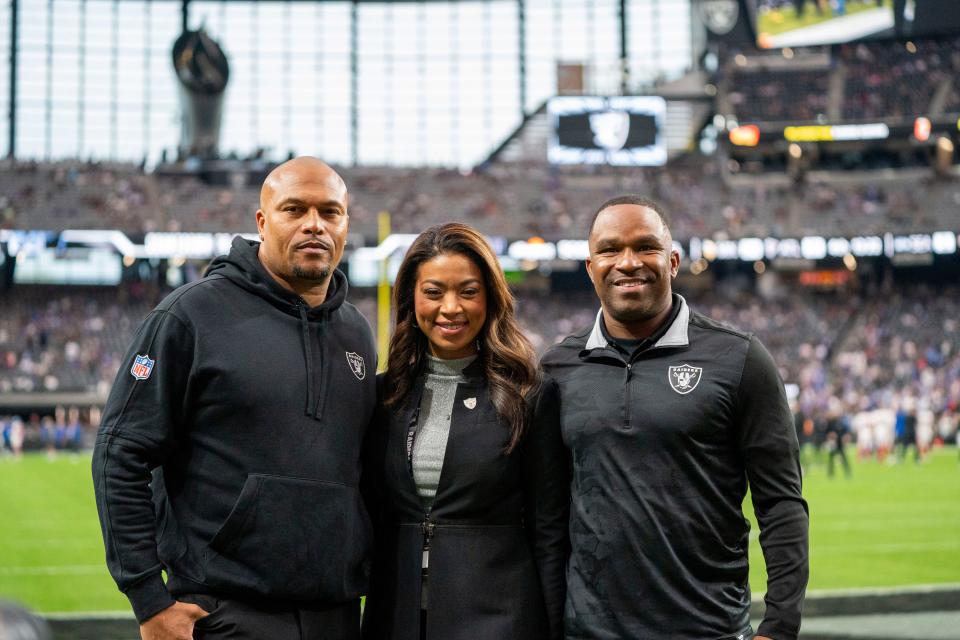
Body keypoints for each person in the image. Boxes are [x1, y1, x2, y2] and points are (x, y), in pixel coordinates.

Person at [92, 157, 376, 640]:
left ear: (346, 223)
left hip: (338, 613)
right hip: (227, 614)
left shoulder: (356, 331)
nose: (315, 225)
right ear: (262, 222)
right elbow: (120, 454)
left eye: (330, 212)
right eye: (295, 209)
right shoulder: (191, 315)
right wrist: (149, 600)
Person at [541, 196, 809, 640]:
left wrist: (779, 627)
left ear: (673, 261)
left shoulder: (739, 357)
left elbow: (781, 503)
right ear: (590, 267)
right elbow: (549, 519)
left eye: (646, 246)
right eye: (610, 250)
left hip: (709, 629)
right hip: (589, 633)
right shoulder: (558, 368)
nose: (628, 262)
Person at [361, 223, 568, 640]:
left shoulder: (528, 395)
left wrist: (556, 627)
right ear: (411, 298)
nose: (450, 308)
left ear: (490, 298)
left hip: (499, 618)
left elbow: (549, 531)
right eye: (434, 292)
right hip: (394, 615)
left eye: (468, 292)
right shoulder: (382, 395)